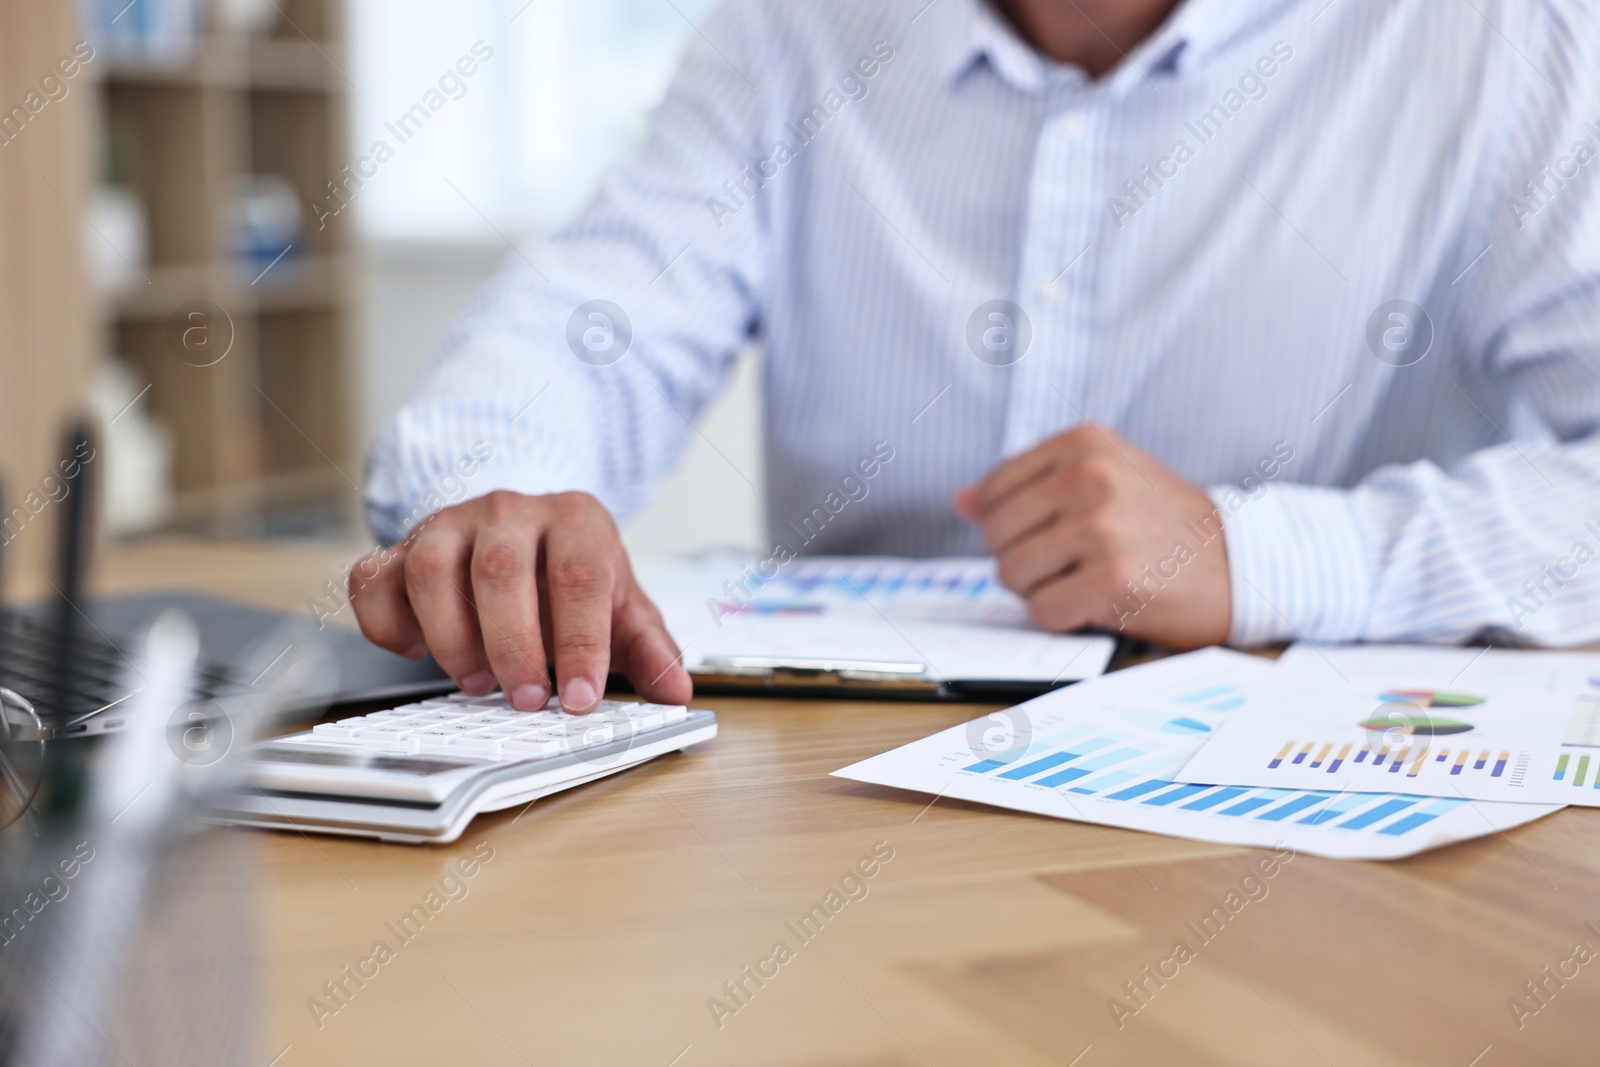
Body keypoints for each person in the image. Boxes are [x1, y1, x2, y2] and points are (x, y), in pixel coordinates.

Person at [352, 0, 1600, 714]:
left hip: (1301, 809)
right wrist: (495, 499)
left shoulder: (1497, 39)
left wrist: (1256, 550)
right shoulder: (794, 30)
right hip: (844, 798)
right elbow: (590, 316)